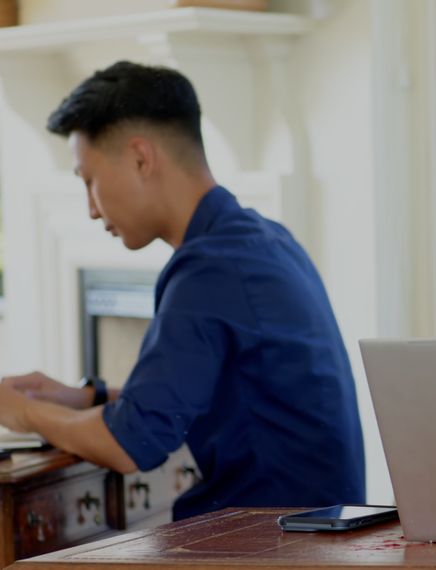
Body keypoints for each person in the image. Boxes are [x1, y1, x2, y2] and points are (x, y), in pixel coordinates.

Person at [0, 61, 366, 519]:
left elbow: (130, 444)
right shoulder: (264, 240)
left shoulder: (209, 270)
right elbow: (217, 393)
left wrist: (19, 411)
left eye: (89, 180)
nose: (91, 209)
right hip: (311, 533)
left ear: (140, 158)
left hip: (269, 548)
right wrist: (87, 398)